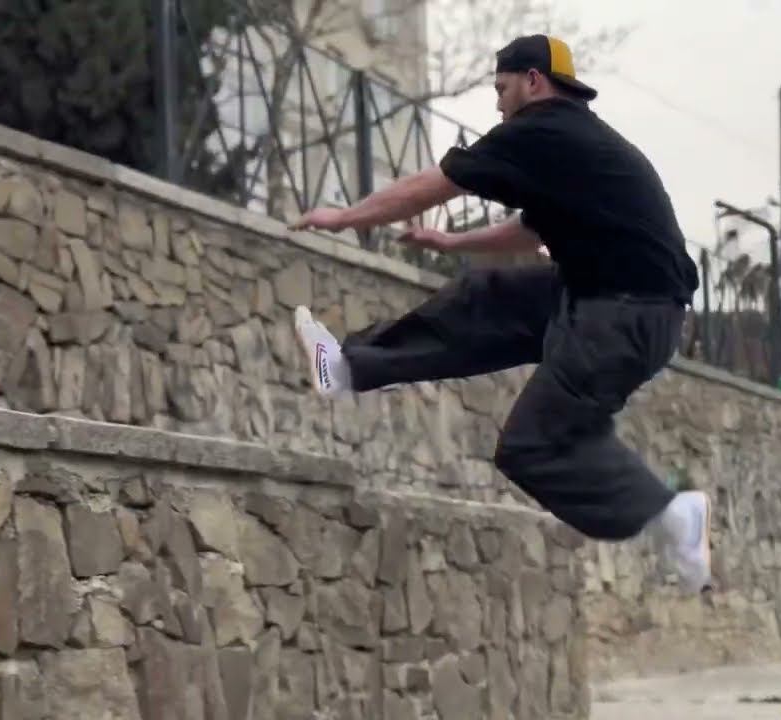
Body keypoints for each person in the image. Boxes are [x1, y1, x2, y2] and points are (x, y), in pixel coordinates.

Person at [288, 34, 713, 593]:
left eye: (501, 88)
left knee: (533, 446)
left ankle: (670, 513)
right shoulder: (572, 143)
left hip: (626, 317)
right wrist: (453, 243)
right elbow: (532, 230)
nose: (497, 104)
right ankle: (348, 367)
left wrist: (346, 217)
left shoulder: (540, 130)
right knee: (486, 300)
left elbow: (430, 186)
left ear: (533, 81)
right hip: (603, 298)